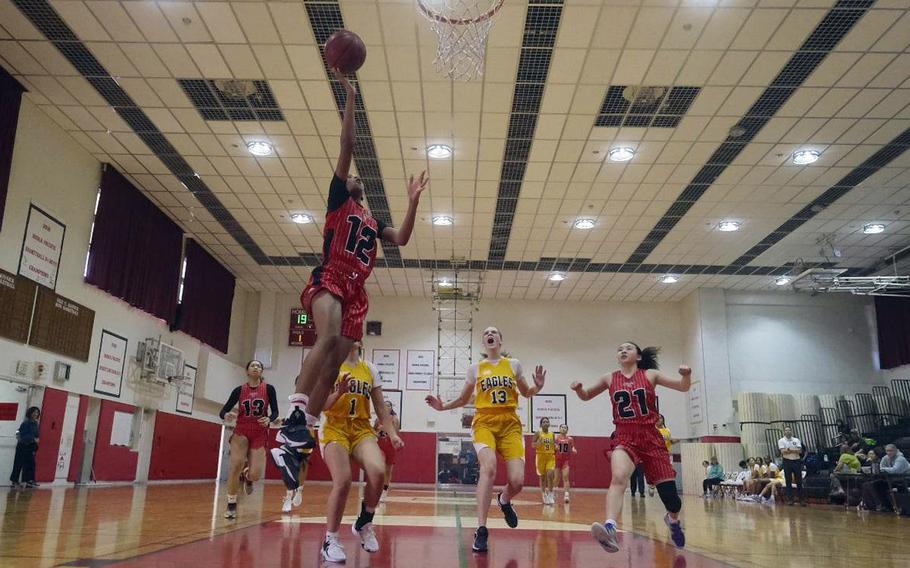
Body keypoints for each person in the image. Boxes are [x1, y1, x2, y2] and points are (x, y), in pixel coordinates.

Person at [272, 67, 428, 481]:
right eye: (352, 174)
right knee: (325, 338)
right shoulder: (339, 198)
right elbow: (349, 144)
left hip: (356, 292)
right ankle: (293, 414)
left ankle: (299, 435)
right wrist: (351, 97)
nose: (355, 175)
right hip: (331, 278)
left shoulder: (372, 222)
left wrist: (412, 202)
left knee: (333, 366)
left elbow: (405, 238)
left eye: (358, 177)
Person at [425, 326, 546, 553]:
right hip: (484, 423)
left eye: (494, 332)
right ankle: (481, 529)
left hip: (510, 424)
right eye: (486, 333)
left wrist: (537, 387)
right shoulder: (475, 369)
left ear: (500, 339)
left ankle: (504, 499)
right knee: (488, 468)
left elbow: (526, 392)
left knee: (518, 481)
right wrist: (443, 407)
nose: (490, 334)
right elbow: (463, 399)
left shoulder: (513, 365)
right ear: (485, 342)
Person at [571, 342, 691, 553]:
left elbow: (683, 387)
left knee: (672, 501)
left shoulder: (650, 375)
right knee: (618, 477)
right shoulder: (610, 378)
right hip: (624, 436)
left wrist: (686, 375)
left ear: (638, 356)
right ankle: (610, 528)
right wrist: (580, 389)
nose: (623, 350)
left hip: (651, 439)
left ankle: (672, 521)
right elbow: (587, 395)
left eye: (628, 348)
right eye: (619, 349)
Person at [317, 342, 403, 563]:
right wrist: (339, 393)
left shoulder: (370, 369)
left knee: (378, 471)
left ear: (361, 341)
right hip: (335, 427)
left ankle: (364, 521)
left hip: (361, 429)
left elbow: (381, 407)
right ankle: (331, 539)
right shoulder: (330, 366)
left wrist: (392, 433)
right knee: (343, 481)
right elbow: (321, 405)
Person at [219, 360, 278, 519]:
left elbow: (275, 412)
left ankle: (248, 477)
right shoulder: (239, 390)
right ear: (247, 371)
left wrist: (269, 419)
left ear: (261, 371)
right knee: (235, 464)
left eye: (259, 365)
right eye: (252, 365)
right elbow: (223, 410)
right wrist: (226, 414)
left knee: (256, 474)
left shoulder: (269, 389)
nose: (256, 367)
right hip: (242, 430)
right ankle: (231, 504)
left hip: (259, 431)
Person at [863, 444, 910, 512]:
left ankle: (903, 508)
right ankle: (886, 506)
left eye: (891, 451)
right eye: (887, 451)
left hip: (905, 480)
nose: (889, 453)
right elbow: (880, 467)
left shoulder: (901, 459)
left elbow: (895, 470)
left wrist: (884, 469)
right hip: (892, 480)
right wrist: (884, 469)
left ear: (896, 451)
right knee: (875, 485)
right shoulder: (885, 458)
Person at [374, 400, 400, 502]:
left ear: (391, 408)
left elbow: (396, 433)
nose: (386, 407)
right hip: (380, 445)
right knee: (380, 467)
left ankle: (384, 491)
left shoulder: (395, 419)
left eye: (388, 405)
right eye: (385, 405)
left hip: (390, 446)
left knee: (388, 471)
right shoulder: (378, 419)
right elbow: (373, 432)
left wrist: (388, 429)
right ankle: (376, 490)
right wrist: (379, 430)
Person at [9, 407, 40, 488]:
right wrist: (32, 438)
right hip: (22, 446)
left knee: (31, 464)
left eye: (37, 412)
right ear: (30, 413)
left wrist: (36, 440)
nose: (35, 414)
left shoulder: (36, 424)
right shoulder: (25, 423)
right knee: (18, 463)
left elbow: (36, 434)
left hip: (30, 446)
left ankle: (28, 480)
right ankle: (14, 481)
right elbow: (21, 434)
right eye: (34, 412)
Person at [778, 426, 806, 506]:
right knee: (788, 481)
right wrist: (794, 450)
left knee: (799, 481)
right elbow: (783, 452)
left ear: (791, 431)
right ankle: (790, 499)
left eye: (789, 430)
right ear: (784, 432)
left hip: (796, 461)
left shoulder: (796, 440)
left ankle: (801, 499)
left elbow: (800, 451)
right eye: (786, 430)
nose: (788, 432)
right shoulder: (781, 440)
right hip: (787, 462)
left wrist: (790, 450)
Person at [649, 415, 675, 497]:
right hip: (657, 454)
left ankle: (669, 490)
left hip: (667, 454)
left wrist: (673, 441)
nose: (659, 420)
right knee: (656, 472)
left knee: (670, 472)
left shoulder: (667, 430)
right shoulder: (653, 431)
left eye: (660, 418)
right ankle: (652, 485)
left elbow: (670, 442)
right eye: (657, 419)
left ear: (663, 420)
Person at [533, 417, 557, 505]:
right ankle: (544, 494)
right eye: (544, 422)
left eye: (547, 421)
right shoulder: (538, 433)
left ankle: (550, 494)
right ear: (541, 424)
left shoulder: (552, 434)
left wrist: (556, 446)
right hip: (540, 457)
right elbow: (532, 444)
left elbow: (554, 444)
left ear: (549, 424)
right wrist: (537, 444)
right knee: (543, 477)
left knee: (550, 475)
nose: (546, 423)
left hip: (550, 456)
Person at [555, 424, 577, 503]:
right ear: (559, 429)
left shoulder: (570, 439)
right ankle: (554, 493)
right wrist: (555, 448)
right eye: (562, 427)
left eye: (565, 428)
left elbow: (573, 447)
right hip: (557, 460)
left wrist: (574, 450)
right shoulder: (556, 438)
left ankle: (566, 495)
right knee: (556, 479)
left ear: (567, 430)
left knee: (565, 477)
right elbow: (553, 448)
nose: (563, 429)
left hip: (565, 461)